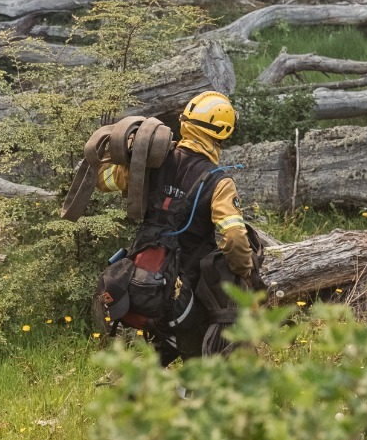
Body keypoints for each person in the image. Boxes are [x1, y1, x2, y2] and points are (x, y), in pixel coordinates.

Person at [94, 91, 256, 364]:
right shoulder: (218, 181)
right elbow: (235, 238)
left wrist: (126, 151)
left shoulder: (153, 161)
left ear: (185, 121)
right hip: (187, 288)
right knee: (200, 356)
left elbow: (103, 180)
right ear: (222, 133)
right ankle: (188, 397)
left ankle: (139, 390)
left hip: (142, 275)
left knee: (159, 350)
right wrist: (244, 271)